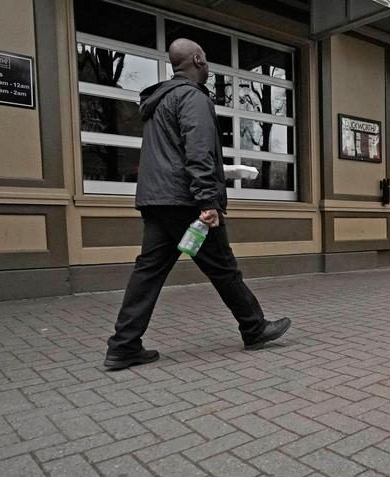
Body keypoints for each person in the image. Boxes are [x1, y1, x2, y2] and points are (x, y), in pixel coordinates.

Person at [104, 38, 290, 371]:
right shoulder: (192, 98)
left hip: (157, 200)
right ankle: (254, 327)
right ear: (198, 59)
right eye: (206, 60)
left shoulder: (157, 103)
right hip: (187, 201)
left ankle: (123, 345)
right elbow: (198, 151)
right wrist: (207, 200)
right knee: (223, 267)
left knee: (148, 272)